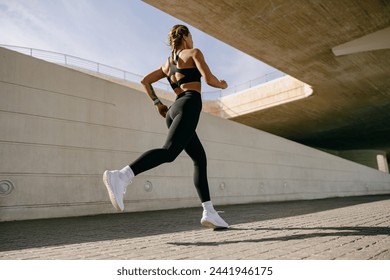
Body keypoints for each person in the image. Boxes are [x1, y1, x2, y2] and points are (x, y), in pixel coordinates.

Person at [103, 24, 229, 229]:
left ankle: (210, 212)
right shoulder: (193, 53)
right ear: (186, 37)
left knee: (199, 158)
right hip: (188, 104)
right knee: (169, 152)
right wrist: (222, 85)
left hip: (174, 109)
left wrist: (157, 104)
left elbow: (145, 81)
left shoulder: (167, 64)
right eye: (192, 36)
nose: (193, 40)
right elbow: (209, 79)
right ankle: (121, 175)